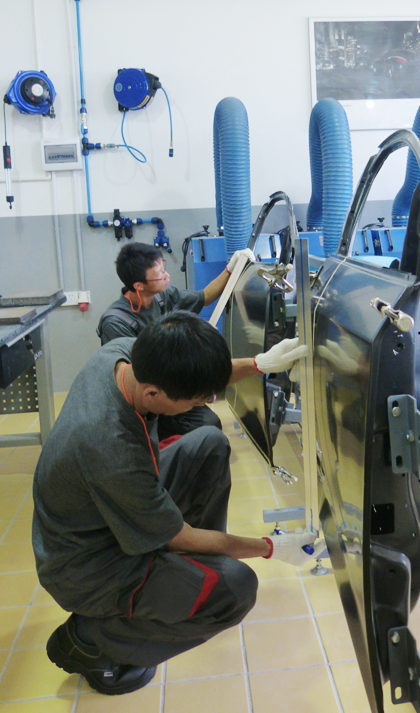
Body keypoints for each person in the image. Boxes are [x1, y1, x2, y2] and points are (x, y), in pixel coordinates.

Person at [33, 312, 312, 696]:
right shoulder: (110, 447)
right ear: (153, 395)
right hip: (86, 565)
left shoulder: (122, 356)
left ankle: (183, 578)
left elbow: (192, 377)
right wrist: (269, 547)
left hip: (103, 512)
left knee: (209, 444)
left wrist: (260, 364)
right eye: (196, 401)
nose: (203, 403)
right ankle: (90, 639)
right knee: (235, 590)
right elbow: (178, 536)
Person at [97, 242, 257, 441]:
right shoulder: (116, 323)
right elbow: (137, 381)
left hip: (172, 385)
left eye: (164, 268)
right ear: (139, 286)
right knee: (205, 425)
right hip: (148, 398)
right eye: (159, 274)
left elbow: (205, 297)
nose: (167, 276)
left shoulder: (161, 297)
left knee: (210, 422)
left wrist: (230, 269)